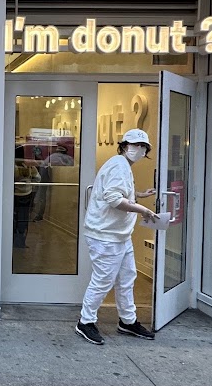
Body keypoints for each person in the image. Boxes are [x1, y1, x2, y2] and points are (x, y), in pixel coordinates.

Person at [75, 128, 159, 345]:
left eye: (143, 147)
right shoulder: (118, 165)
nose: (139, 150)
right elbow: (113, 199)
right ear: (124, 146)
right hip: (106, 236)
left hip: (118, 235)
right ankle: (85, 321)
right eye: (135, 145)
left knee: (126, 278)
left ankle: (128, 321)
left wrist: (138, 195)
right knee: (103, 280)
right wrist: (142, 209)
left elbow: (116, 192)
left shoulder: (121, 165)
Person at [13, 145, 40, 248]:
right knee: (23, 218)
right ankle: (21, 241)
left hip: (14, 195)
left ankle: (13, 240)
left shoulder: (12, 166)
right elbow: (38, 178)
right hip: (26, 195)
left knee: (14, 218)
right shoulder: (29, 167)